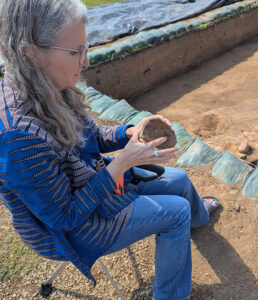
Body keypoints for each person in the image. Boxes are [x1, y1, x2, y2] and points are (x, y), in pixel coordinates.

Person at [0, 1, 219, 299]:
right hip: (71, 233)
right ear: (32, 54)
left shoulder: (47, 84)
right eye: (75, 51)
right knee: (176, 212)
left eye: (85, 48)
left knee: (179, 180)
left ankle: (199, 219)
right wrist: (122, 164)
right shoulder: (18, 138)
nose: (86, 61)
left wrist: (129, 131)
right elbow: (64, 218)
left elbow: (90, 136)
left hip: (95, 185)